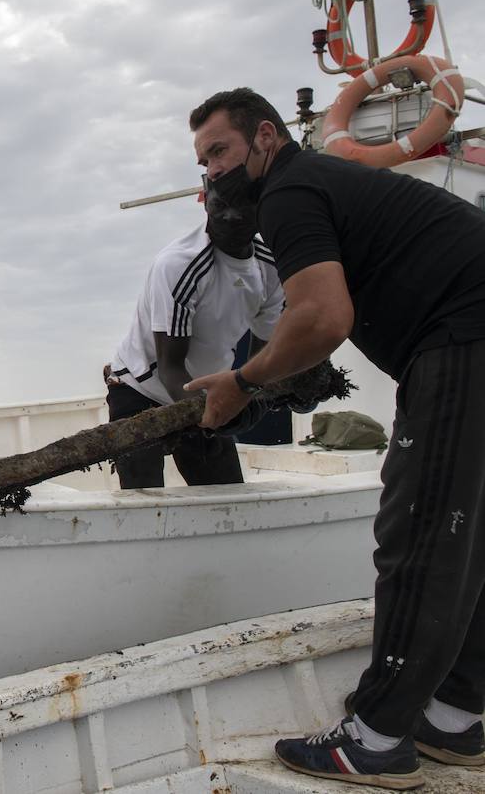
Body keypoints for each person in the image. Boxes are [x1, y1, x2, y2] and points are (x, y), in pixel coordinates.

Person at [185, 87, 485, 789]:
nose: (212, 172)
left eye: (219, 151)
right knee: (468, 531)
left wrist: (243, 383)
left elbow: (322, 318)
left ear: (265, 137)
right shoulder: (325, 182)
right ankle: (453, 714)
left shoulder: (289, 189)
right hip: (470, 333)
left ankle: (376, 739)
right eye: (202, 161)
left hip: (463, 339)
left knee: (420, 531)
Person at [104, 175, 284, 489]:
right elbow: (171, 368)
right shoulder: (176, 265)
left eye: (243, 207)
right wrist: (209, 417)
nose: (230, 216)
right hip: (140, 388)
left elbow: (260, 355)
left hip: (208, 387)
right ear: (203, 200)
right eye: (220, 205)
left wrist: (247, 394)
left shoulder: (270, 267)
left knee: (226, 493)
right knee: (143, 500)